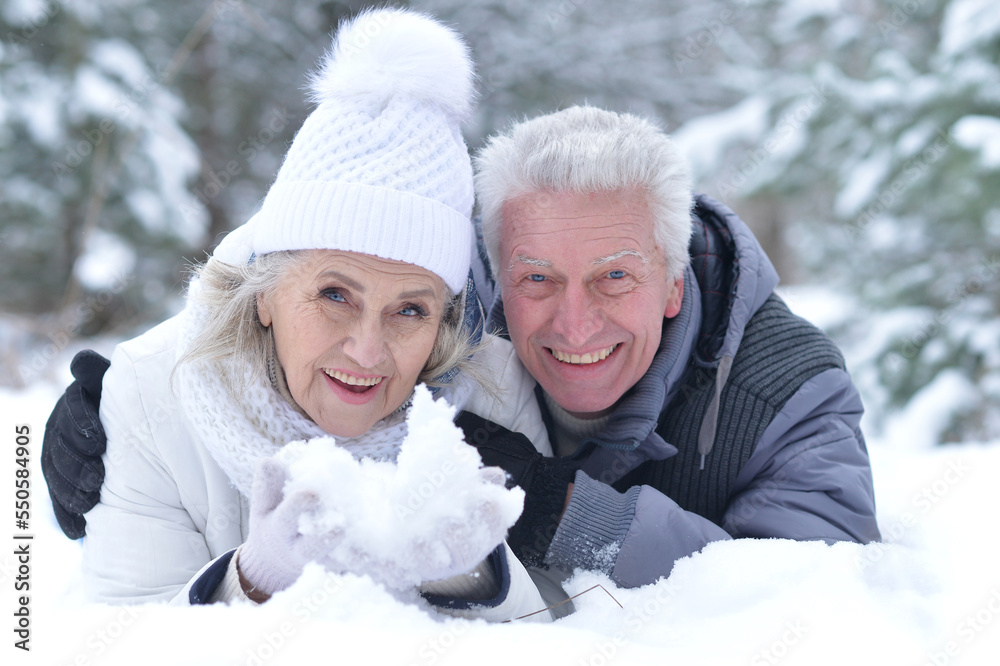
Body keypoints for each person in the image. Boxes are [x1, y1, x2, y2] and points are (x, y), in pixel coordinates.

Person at [44, 8, 555, 620]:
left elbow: (579, 620)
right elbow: (112, 636)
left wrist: (475, 578)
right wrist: (248, 583)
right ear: (266, 290)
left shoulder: (494, 396)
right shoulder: (153, 395)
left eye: (409, 310)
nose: (367, 350)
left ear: (443, 321)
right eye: (335, 295)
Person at [467, 105, 881, 588]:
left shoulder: (790, 391)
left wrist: (564, 515)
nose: (575, 327)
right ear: (499, 279)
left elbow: (813, 597)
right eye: (538, 278)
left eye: (615, 276)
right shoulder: (421, 322)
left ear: (672, 284)